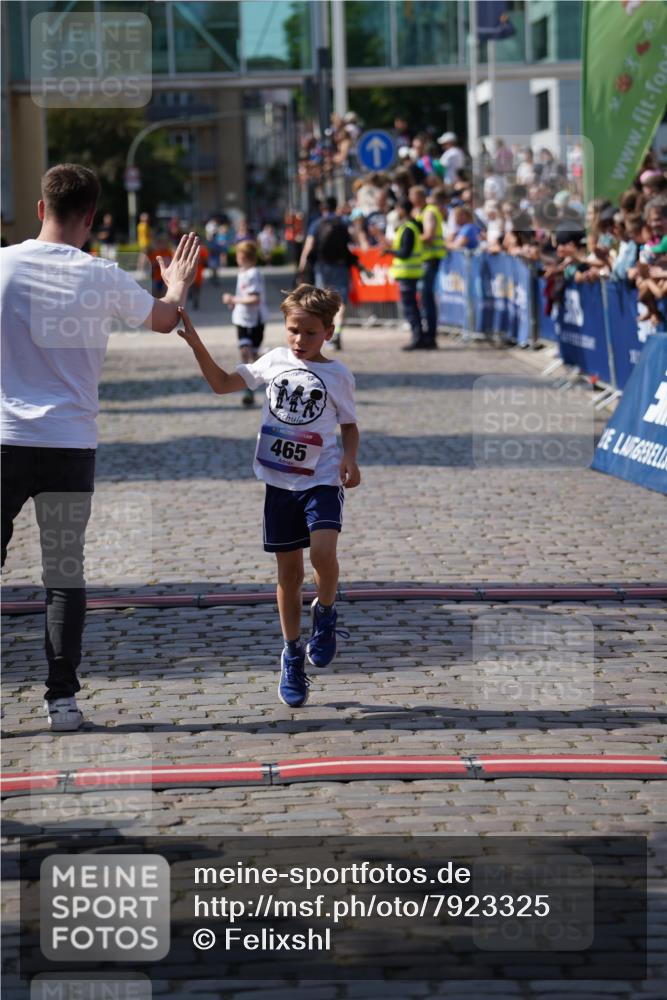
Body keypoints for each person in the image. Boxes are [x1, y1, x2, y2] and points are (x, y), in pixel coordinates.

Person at [0, 163, 200, 731]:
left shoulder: (2, 265)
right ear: (90, 217)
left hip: (4, 440)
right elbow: (165, 320)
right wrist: (178, 283)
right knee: (64, 575)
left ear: (41, 209)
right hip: (68, 445)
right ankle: (62, 701)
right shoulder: (101, 274)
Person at [176, 284, 361, 708]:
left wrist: (350, 457)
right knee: (289, 574)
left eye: (310, 333)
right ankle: (292, 653)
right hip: (280, 483)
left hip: (321, 481)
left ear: (328, 332)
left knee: (322, 555)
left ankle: (327, 612)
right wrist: (195, 342)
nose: (299, 340)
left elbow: (349, 425)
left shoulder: (338, 375)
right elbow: (223, 383)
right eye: (293, 330)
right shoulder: (274, 361)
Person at [299, 196, 356, 350]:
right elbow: (353, 242)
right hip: (341, 266)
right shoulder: (343, 222)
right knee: (341, 302)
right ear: (336, 206)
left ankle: (325, 336)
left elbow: (308, 247)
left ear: (322, 209)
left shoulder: (317, 224)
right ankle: (337, 332)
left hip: (322, 267)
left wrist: (302, 266)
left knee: (323, 302)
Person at [222, 240, 268, 407]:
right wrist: (234, 303)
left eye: (238, 255)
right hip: (241, 319)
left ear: (245, 256)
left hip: (255, 320)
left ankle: (267, 365)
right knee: (244, 351)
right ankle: (248, 389)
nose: (236, 258)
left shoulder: (253, 273)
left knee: (254, 356)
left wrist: (234, 299)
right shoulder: (242, 272)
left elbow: (255, 299)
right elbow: (244, 295)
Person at [382, 198, 427, 350]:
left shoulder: (408, 228)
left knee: (410, 307)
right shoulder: (410, 227)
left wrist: (389, 251)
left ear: (402, 209)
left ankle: (417, 337)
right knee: (411, 306)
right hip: (409, 273)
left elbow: (404, 253)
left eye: (398, 209)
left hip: (408, 273)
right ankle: (418, 336)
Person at [409, 185, 447, 348]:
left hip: (430, 260)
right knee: (424, 299)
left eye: (412, 195)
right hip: (424, 261)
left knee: (427, 299)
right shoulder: (422, 212)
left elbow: (429, 236)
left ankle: (430, 336)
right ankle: (426, 335)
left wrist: (410, 240)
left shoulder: (429, 212)